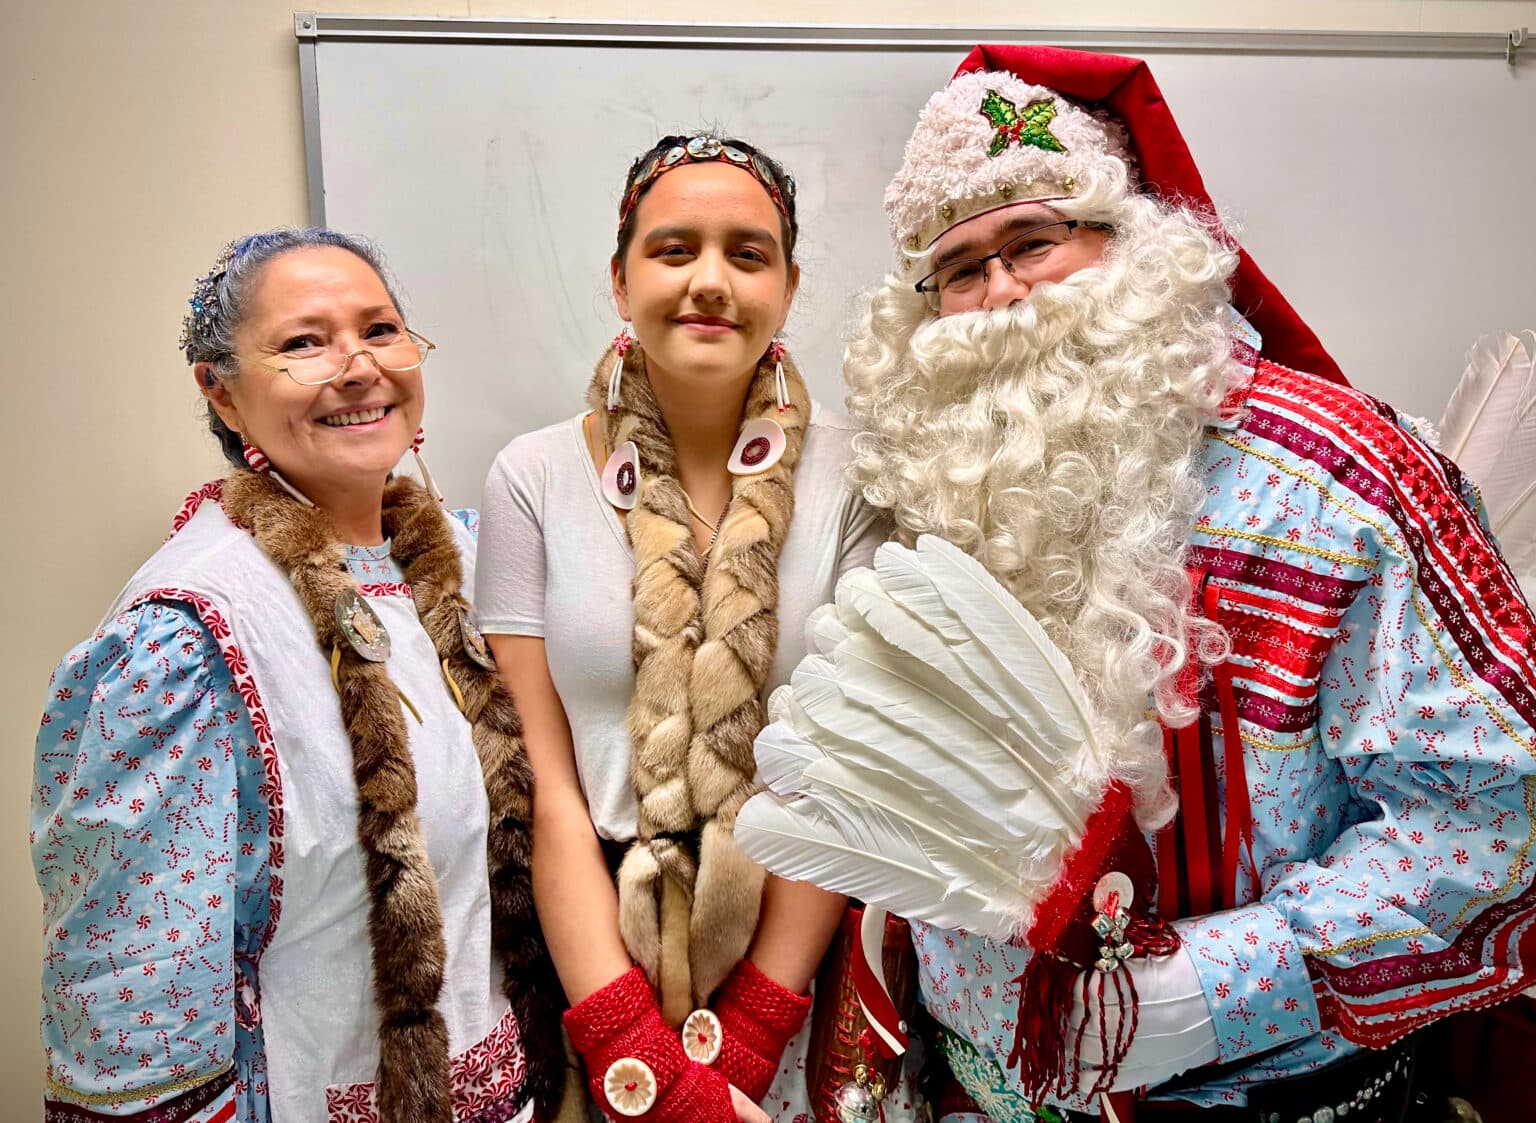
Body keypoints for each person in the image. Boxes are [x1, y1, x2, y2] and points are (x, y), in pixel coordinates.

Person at [755, 45, 1536, 1123]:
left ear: (1129, 242)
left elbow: (1496, 813)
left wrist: (1220, 987)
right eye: (960, 268)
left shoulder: (1345, 481)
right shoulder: (935, 480)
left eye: (1033, 241)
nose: (1002, 293)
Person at [32, 228, 562, 1123]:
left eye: (380, 330)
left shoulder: (473, 560)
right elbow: (136, 1011)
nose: (359, 368)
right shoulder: (189, 639)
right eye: (304, 343)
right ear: (221, 390)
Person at [475, 135, 922, 1123]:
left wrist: (755, 1032)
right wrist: (628, 1045)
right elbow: (544, 785)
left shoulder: (865, 476)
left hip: (801, 969)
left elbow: (845, 772)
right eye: (674, 249)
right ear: (620, 277)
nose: (710, 281)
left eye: (747, 254)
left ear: (789, 287)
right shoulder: (533, 477)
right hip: (590, 962)